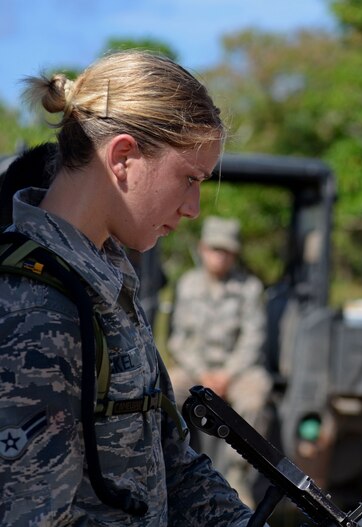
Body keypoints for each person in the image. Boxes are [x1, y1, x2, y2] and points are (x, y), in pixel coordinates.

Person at [0, 51, 253, 525]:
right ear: (122, 158)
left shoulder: (105, 285)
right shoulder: (33, 308)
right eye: (189, 179)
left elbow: (171, 465)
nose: (194, 206)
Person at [167, 215, 272, 508]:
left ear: (235, 254)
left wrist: (227, 375)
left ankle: (237, 476)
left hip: (237, 372)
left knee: (255, 395)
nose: (220, 256)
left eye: (226, 251)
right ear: (202, 249)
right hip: (197, 371)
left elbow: (254, 338)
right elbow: (178, 340)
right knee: (164, 388)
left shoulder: (249, 288)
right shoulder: (187, 285)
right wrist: (202, 373)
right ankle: (172, 466)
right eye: (215, 249)